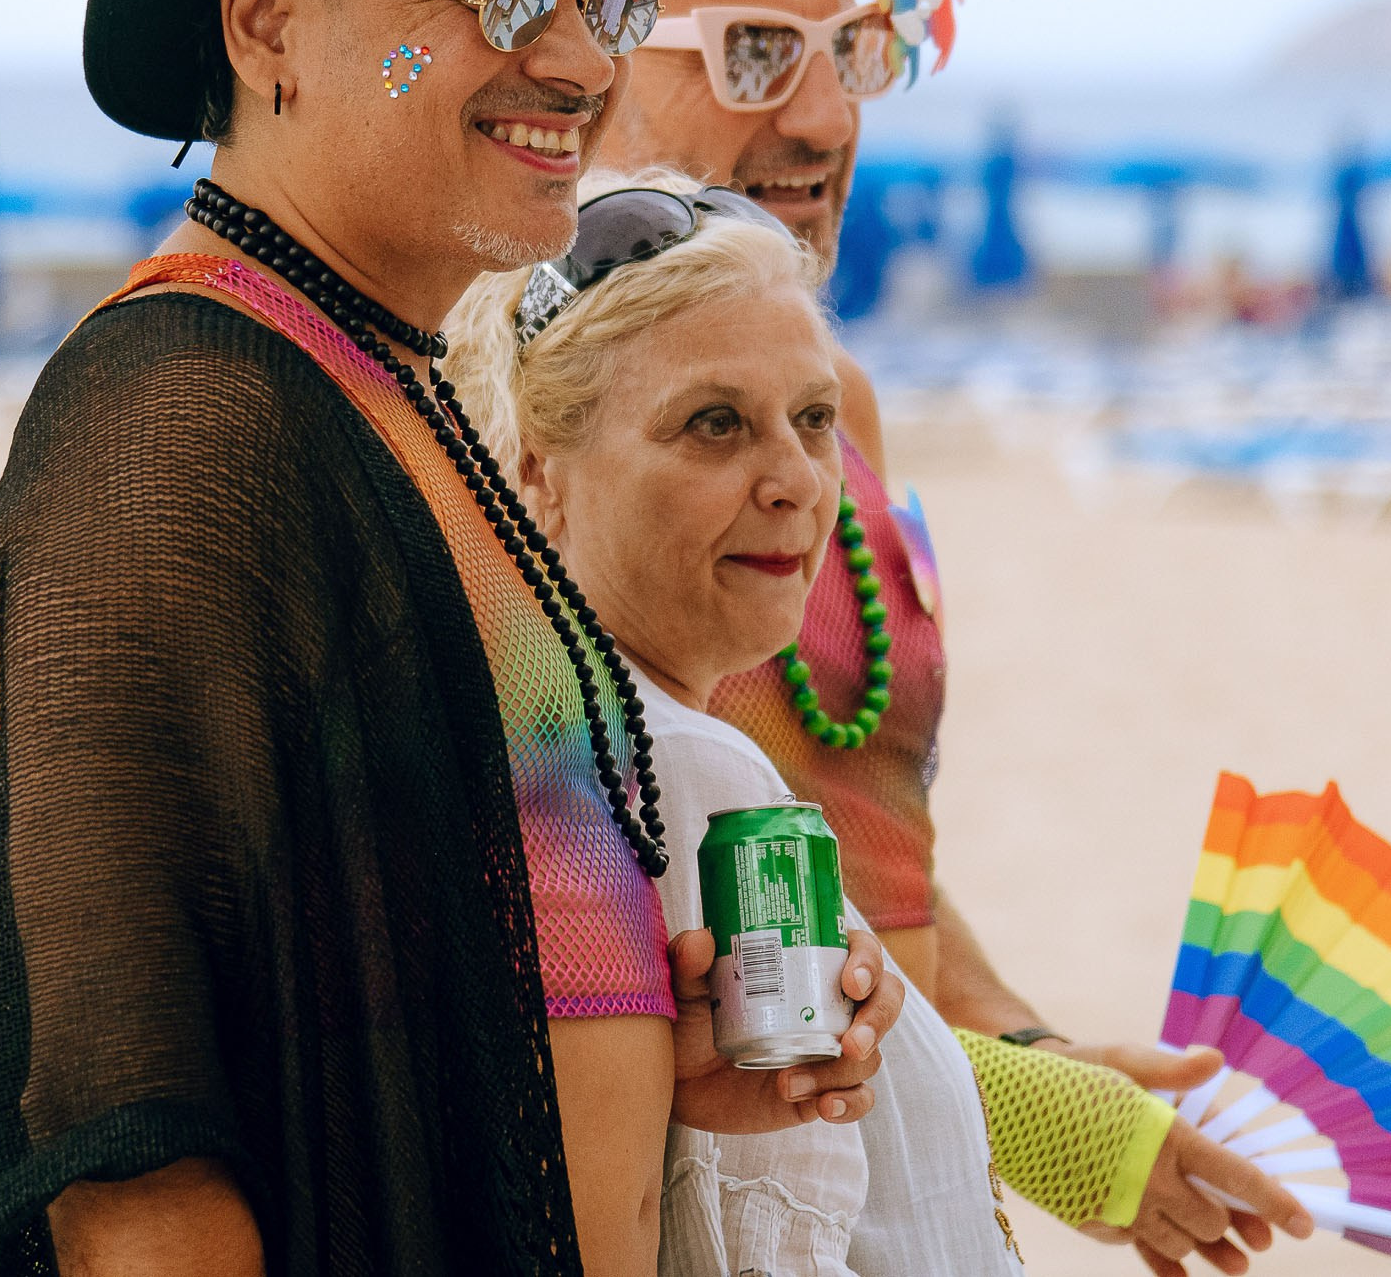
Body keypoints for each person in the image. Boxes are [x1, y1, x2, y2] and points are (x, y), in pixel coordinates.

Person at [0, 0, 897, 1277]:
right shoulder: (176, 429)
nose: (585, 65)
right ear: (267, 21)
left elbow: (414, 996)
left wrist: (680, 1065)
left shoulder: (389, 386)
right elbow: (128, 1163)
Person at [591, 0, 1316, 1272]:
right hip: (754, 1193)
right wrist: (1061, 1125)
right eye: (749, 53)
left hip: (929, 1180)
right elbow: (636, 954)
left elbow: (867, 836)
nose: (819, 115)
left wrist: (1027, 1041)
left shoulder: (832, 403)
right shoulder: (577, 448)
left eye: (848, 47)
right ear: (592, 57)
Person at [445, 173, 1275, 1277]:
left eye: (814, 418)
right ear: (539, 474)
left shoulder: (576, 738)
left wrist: (1029, 1083)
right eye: (714, 425)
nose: (794, 479)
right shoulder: (669, 778)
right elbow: (757, 1233)